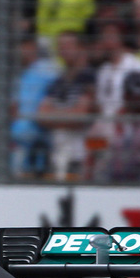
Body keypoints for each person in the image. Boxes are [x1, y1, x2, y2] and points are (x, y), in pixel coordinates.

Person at [36, 30, 97, 177]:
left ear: (81, 48)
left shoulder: (89, 78)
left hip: (79, 155)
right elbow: (41, 115)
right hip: (56, 153)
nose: (63, 50)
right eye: (60, 46)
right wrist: (69, 115)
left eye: (68, 45)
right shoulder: (58, 81)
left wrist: (54, 116)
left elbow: (81, 116)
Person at [10, 36, 60, 177]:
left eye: (26, 46)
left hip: (41, 140)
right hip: (18, 144)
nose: (21, 50)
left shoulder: (48, 69)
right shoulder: (18, 74)